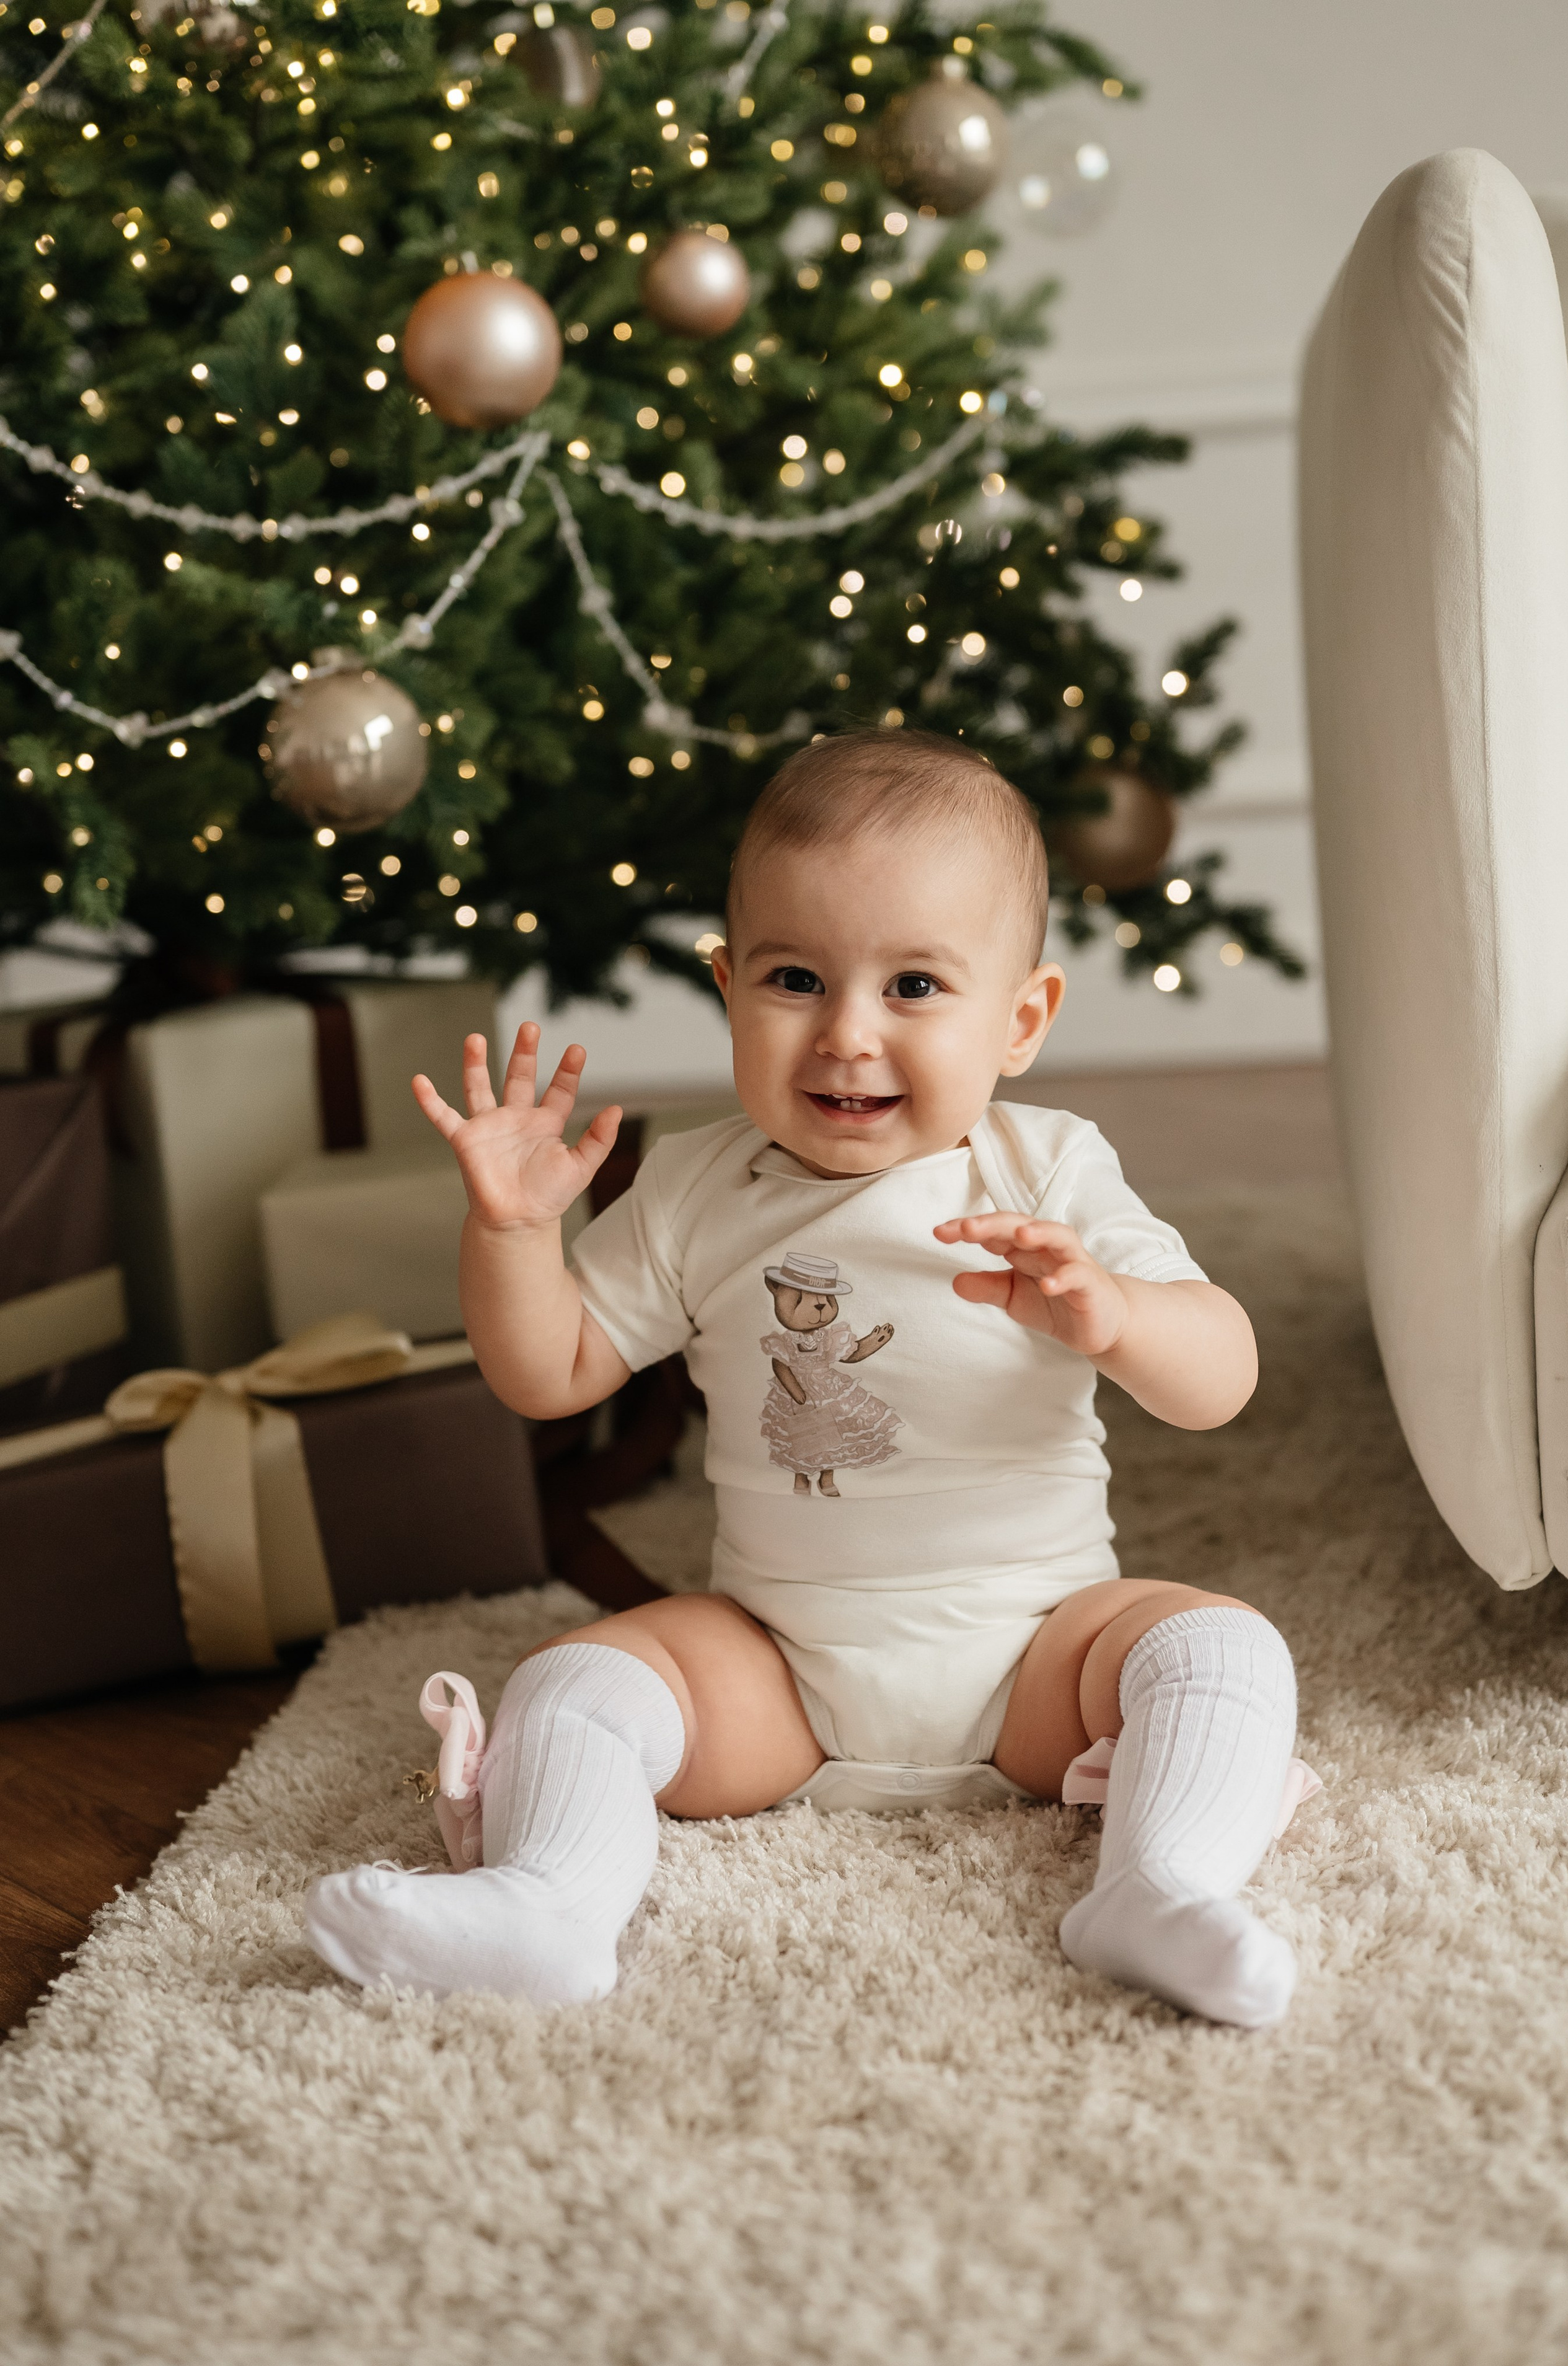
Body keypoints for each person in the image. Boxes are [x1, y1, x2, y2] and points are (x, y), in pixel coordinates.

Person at [305, 728, 1312, 2028]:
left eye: (911, 987)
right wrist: (510, 1232)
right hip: (778, 1664)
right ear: (726, 987)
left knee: (1220, 1649)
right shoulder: (693, 1188)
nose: (845, 1034)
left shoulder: (1046, 1168)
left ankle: (1158, 1883)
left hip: (1036, 1653)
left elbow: (1216, 1377)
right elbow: (548, 1372)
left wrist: (1112, 1313)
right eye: (793, 977)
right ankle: (548, 1904)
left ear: (1019, 1020)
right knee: (575, 1679)